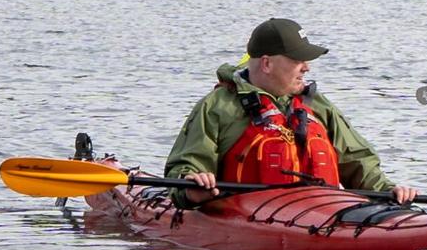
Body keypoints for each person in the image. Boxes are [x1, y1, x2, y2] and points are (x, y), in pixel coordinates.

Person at [158, 17, 395, 197]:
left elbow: (358, 161)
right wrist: (192, 184)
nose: (306, 68)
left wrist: (388, 191)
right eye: (297, 60)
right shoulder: (218, 106)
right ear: (267, 63)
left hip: (320, 212)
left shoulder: (319, 106)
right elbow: (186, 164)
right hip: (245, 215)